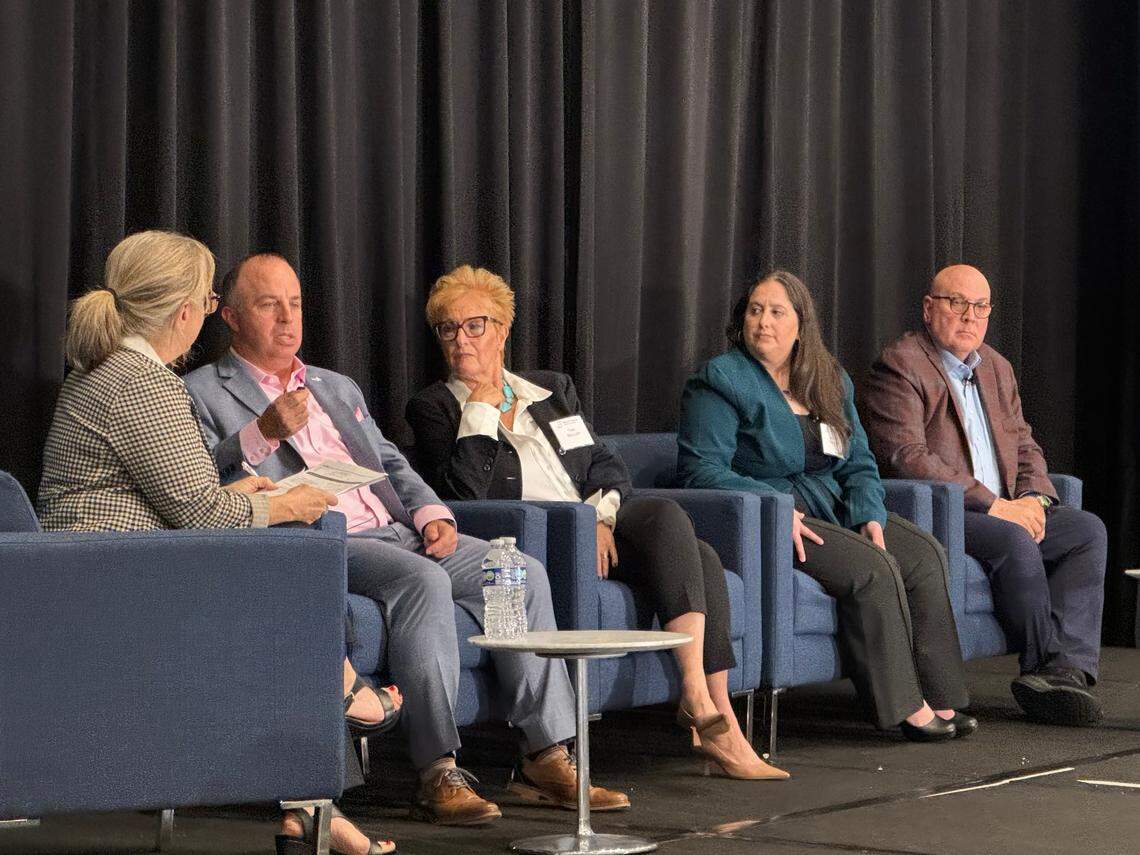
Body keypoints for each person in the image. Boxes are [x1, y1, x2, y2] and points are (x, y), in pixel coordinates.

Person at [184, 253, 629, 825]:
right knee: (422, 581)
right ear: (232, 317)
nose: (287, 319)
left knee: (517, 569)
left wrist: (432, 515)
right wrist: (260, 432)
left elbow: (390, 462)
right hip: (322, 537)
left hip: (397, 530)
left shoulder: (332, 385)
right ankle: (437, 770)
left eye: (294, 304)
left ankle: (547, 755)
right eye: (269, 305)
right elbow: (199, 488)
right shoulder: (201, 391)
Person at [36, 231, 398, 855]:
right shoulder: (143, 383)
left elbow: (183, 489)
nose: (206, 316)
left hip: (105, 568)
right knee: (287, 575)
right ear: (184, 313)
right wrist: (282, 501)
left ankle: (310, 807)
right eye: (207, 303)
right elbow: (204, 510)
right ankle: (336, 703)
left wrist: (251, 492)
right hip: (113, 584)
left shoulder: (109, 370)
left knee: (277, 582)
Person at [404, 265, 786, 781]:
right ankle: (707, 713)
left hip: (590, 528)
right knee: (696, 549)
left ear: (502, 330)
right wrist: (477, 410)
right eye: (448, 329)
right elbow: (464, 495)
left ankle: (707, 702)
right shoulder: (434, 407)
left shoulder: (549, 391)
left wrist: (598, 521)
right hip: (535, 539)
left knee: (682, 535)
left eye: (474, 325)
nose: (460, 340)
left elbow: (606, 468)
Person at [676, 270, 976, 742]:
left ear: (800, 324)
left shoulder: (827, 377)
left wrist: (869, 514)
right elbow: (701, 470)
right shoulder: (721, 381)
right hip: (772, 518)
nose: (764, 323)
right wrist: (773, 505)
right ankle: (904, 708)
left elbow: (858, 461)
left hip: (833, 505)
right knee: (871, 568)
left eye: (777, 312)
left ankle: (941, 696)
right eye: (755, 311)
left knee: (922, 555)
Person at [860, 264, 1107, 725]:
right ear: (930, 309)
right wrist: (995, 505)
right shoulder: (902, 364)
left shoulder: (996, 367)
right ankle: (1042, 667)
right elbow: (906, 455)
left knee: (1086, 530)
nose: (969, 316)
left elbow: (1025, 443)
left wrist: (1035, 499)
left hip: (1007, 506)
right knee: (1013, 540)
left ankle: (1066, 670)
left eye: (980, 307)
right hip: (948, 514)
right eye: (957, 303)